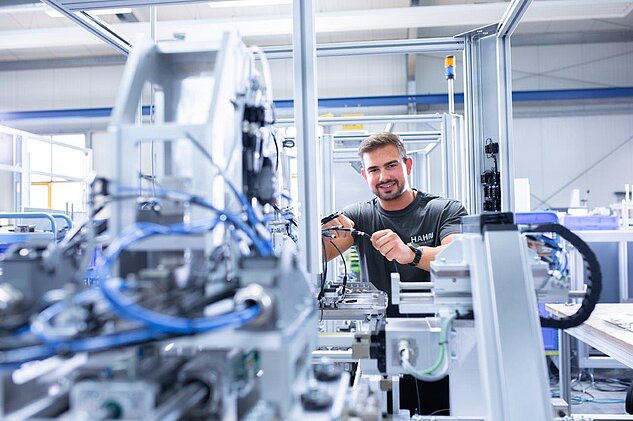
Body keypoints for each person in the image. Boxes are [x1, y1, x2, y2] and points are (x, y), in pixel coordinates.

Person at [321, 131, 468, 415]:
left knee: (439, 412)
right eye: (374, 169)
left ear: (407, 165)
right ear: (365, 176)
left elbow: (459, 258)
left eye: (391, 165)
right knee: (373, 410)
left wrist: (410, 253)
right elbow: (317, 256)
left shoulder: (443, 210)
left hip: (439, 340)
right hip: (375, 338)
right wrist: (315, 232)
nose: (384, 176)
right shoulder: (360, 216)